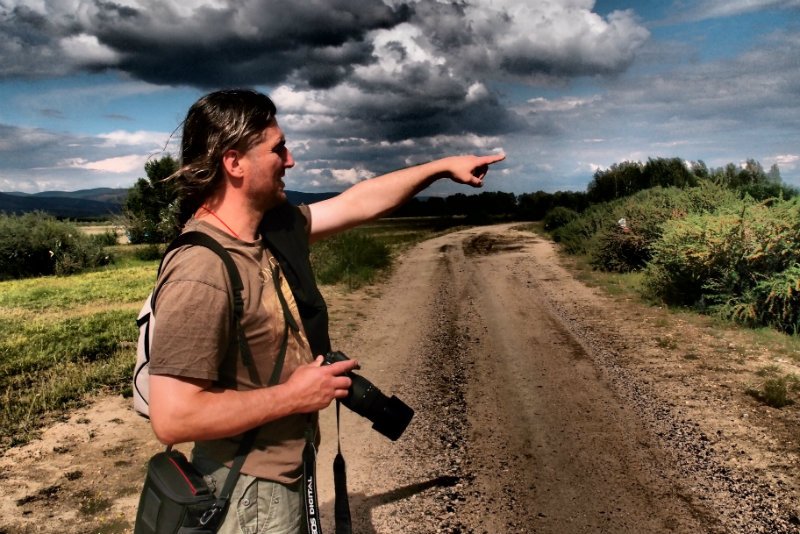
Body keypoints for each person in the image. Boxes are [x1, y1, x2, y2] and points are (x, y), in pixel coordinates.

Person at [147, 88, 505, 533]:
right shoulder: (201, 265)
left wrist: (441, 167)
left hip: (282, 478)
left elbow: (358, 202)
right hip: (248, 495)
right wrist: (294, 397)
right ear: (234, 162)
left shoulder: (267, 235)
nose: (291, 160)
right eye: (278, 149)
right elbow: (173, 417)